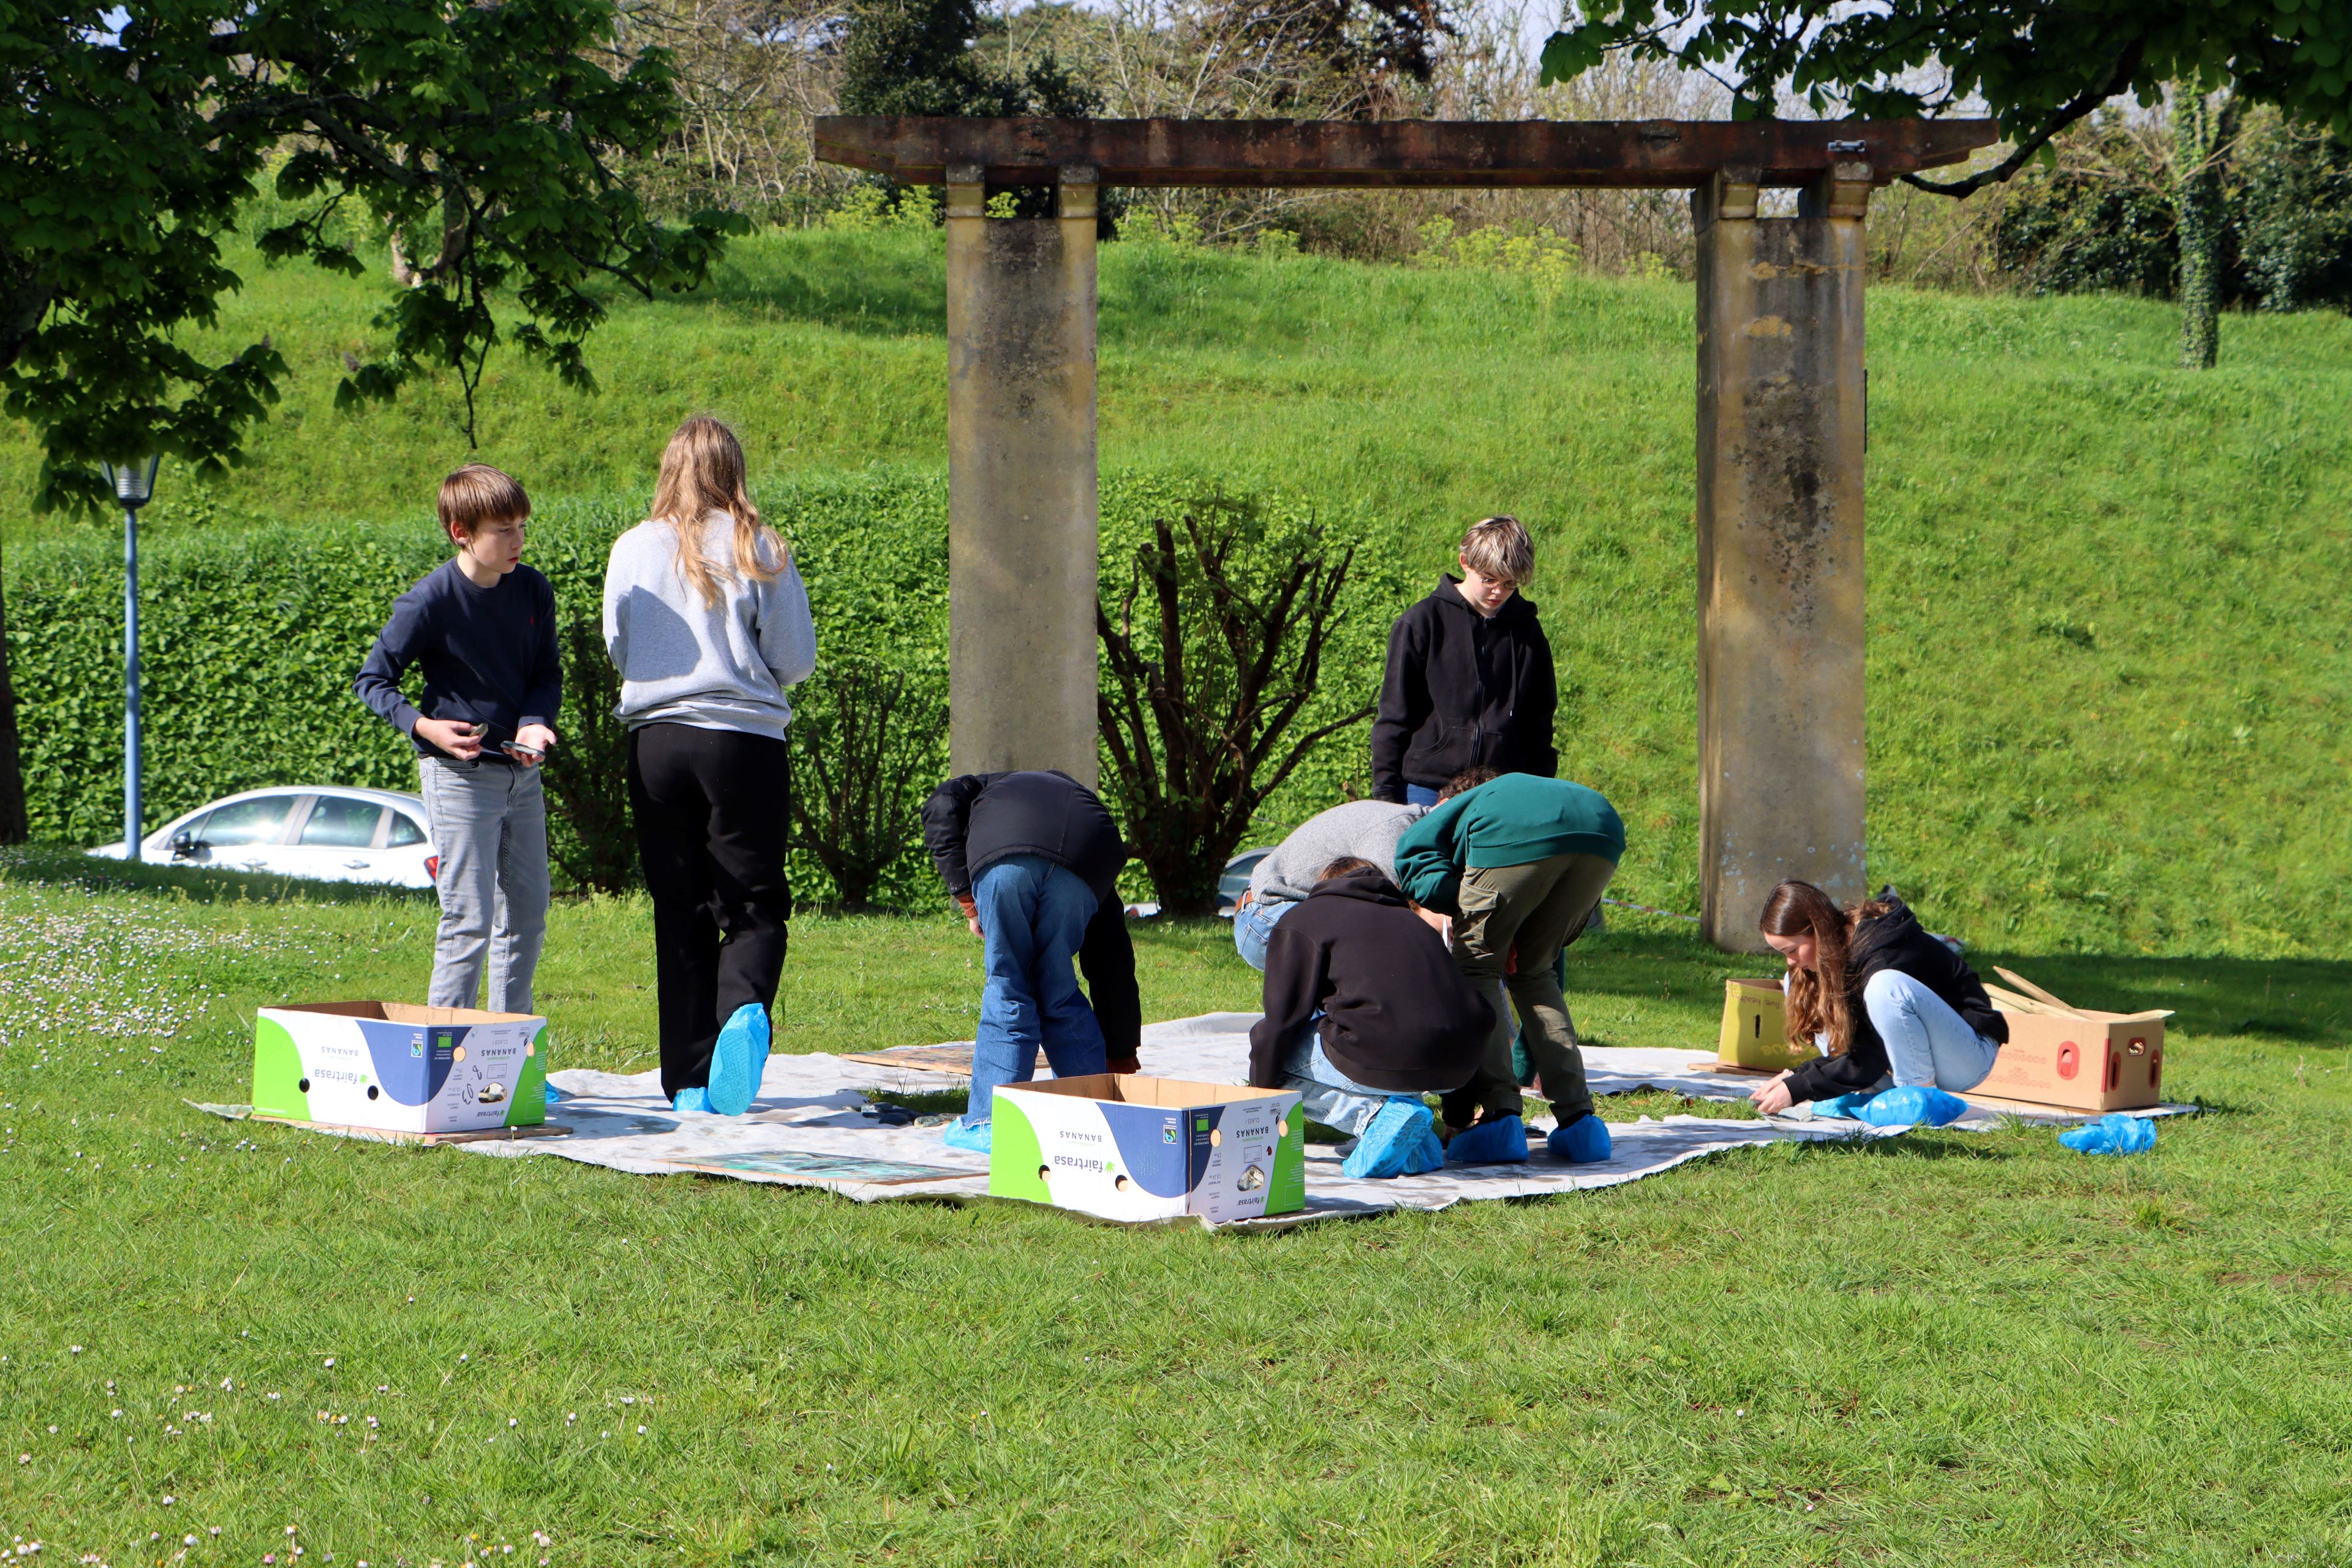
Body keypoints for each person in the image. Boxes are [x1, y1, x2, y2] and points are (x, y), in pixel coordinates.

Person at [603, 417, 816, 1115]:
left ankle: (690, 1082)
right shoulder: (760, 543)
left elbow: (619, 645)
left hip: (657, 741)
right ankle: (744, 1009)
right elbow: (795, 659)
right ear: (734, 468)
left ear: (669, 468)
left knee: (680, 908)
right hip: (742, 741)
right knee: (753, 902)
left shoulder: (633, 547)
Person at [355, 464, 560, 1016]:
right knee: (469, 919)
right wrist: (424, 727)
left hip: (522, 775)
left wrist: (534, 721)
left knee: (527, 918)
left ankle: (508, 1050)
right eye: (504, 530)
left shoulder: (534, 589)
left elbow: (546, 674)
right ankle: (443, 1053)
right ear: (461, 532)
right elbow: (372, 680)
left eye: (522, 527)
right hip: (458, 779)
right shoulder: (429, 601)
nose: (518, 541)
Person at [1392, 767, 1623, 1165]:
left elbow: (1413, 865)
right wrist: (1506, 923)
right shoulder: (1508, 796)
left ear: (1443, 804)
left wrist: (1476, 917)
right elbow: (1549, 963)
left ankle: (1500, 1117)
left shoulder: (1437, 819)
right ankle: (1581, 1124)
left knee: (1474, 967)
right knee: (1535, 971)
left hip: (1524, 834)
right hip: (1603, 829)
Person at [921, 769, 1143, 1154]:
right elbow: (1113, 961)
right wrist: (1121, 1053)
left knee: (1009, 986)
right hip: (1086, 862)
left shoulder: (982, 788)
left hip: (1006, 861)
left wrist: (968, 900)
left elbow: (941, 805)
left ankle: (990, 1124)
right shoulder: (1078, 807)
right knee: (1058, 991)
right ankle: (1092, 1116)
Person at [1248, 857, 1494, 1178]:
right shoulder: (1415, 923)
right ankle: (1418, 1148)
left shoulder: (1306, 918)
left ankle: (1374, 1118)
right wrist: (1458, 1118)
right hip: (1461, 1062)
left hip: (1390, 1049)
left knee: (1277, 1059)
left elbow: (1282, 1022)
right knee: (1386, 1040)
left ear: (1324, 884)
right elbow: (1452, 1010)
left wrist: (1257, 1100)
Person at [1747, 882, 2005, 1117]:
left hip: (1967, 1056)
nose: (1791, 960)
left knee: (1886, 986)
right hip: (1898, 1057)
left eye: (1792, 950)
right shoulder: (1831, 954)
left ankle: (1918, 1098)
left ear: (1819, 930)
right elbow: (1860, 1051)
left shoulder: (1883, 954)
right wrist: (1796, 1077)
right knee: (1796, 980)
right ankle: (1875, 1093)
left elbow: (1869, 1055)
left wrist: (1799, 1088)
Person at [1370, 515, 1558, 809]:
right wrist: (1385, 795)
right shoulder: (1422, 622)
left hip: (1500, 791)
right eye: (1489, 579)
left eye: (1510, 583)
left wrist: (1539, 790)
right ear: (1465, 563)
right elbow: (1395, 714)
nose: (1498, 592)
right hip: (1424, 787)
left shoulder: (1528, 633)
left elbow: (1539, 722)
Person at [1231, 798, 1428, 970]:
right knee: (1373, 942)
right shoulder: (1393, 831)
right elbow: (1389, 916)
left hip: (1288, 911)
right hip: (1265, 918)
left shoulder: (1415, 826)